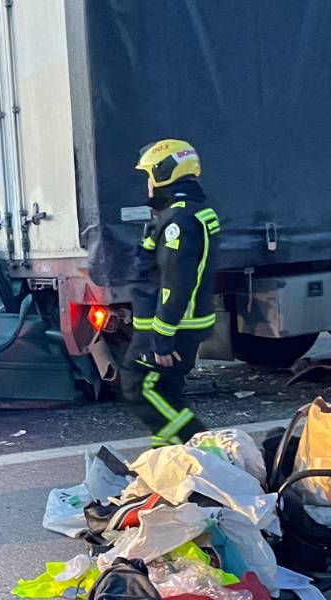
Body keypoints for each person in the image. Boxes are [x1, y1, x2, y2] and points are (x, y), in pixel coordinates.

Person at [120, 139, 221, 447]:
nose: (148, 183)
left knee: (139, 388)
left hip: (169, 327)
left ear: (164, 174)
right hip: (182, 325)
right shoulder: (192, 212)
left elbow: (175, 282)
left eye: (150, 175)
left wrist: (161, 339)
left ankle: (207, 451)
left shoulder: (179, 220)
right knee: (165, 394)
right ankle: (169, 463)